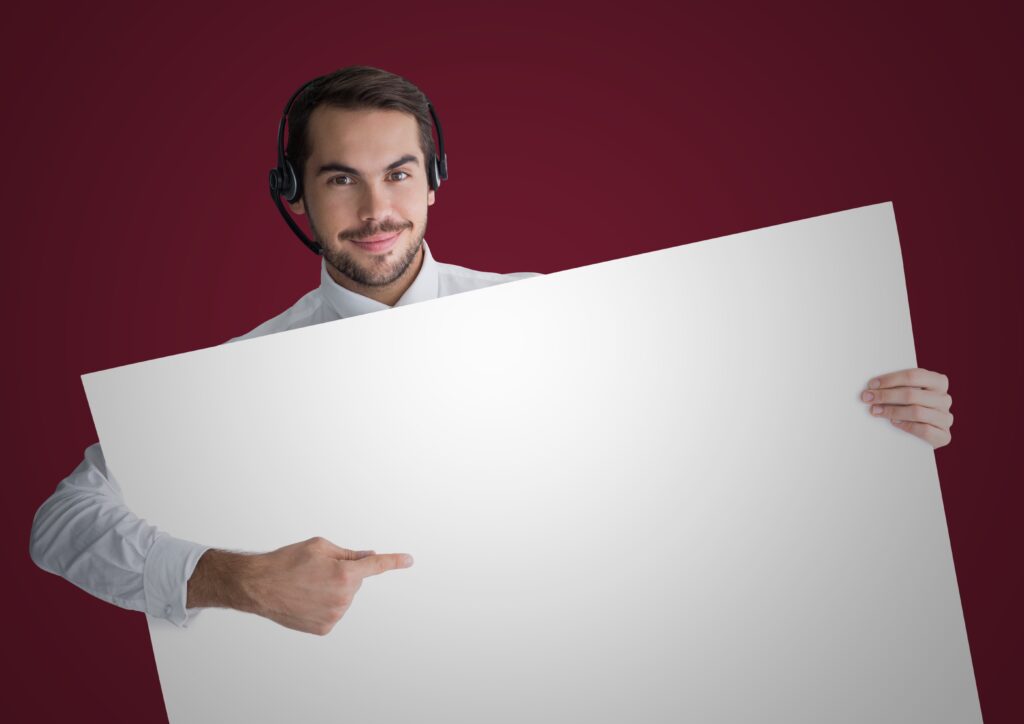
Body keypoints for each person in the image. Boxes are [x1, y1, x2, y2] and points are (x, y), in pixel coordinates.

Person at [29, 65, 955, 638]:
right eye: (339, 179)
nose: (375, 209)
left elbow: (711, 444)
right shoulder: (235, 380)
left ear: (432, 182)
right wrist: (228, 580)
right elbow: (60, 524)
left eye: (398, 174)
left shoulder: (555, 317)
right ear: (296, 198)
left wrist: (872, 420)